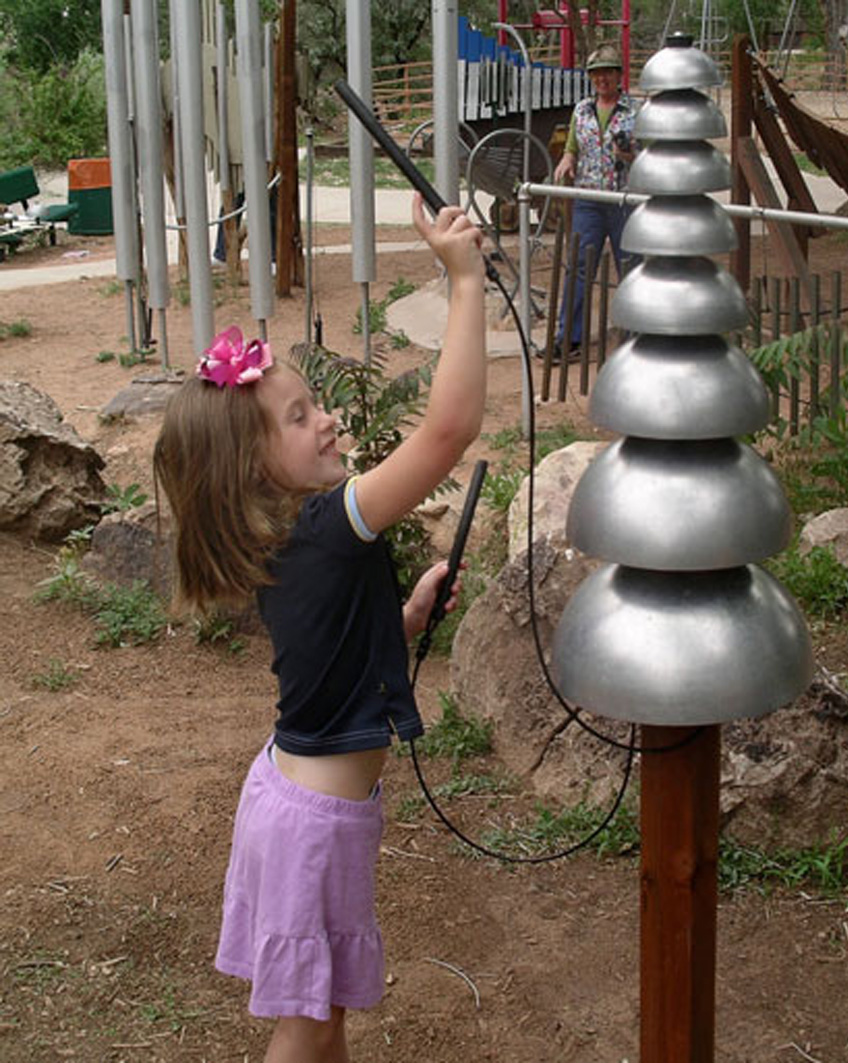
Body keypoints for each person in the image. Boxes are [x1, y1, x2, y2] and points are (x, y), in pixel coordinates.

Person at [153, 194, 486, 1063]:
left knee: (325, 1012)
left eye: (314, 405)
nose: (327, 418)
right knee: (304, 1027)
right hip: (315, 822)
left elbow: (323, 651)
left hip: (297, 801)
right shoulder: (330, 520)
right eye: (298, 417)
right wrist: (463, 279)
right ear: (250, 464)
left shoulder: (288, 538)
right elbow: (449, 429)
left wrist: (403, 617)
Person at [551, 43, 638, 359]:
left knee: (630, 267)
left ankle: (634, 337)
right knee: (579, 264)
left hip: (624, 198)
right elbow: (572, 145)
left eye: (608, 72)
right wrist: (567, 159)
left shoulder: (635, 110)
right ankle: (569, 337)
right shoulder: (582, 110)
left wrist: (631, 155)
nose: (602, 79)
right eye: (596, 73)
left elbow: (650, 153)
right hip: (588, 197)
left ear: (618, 75)